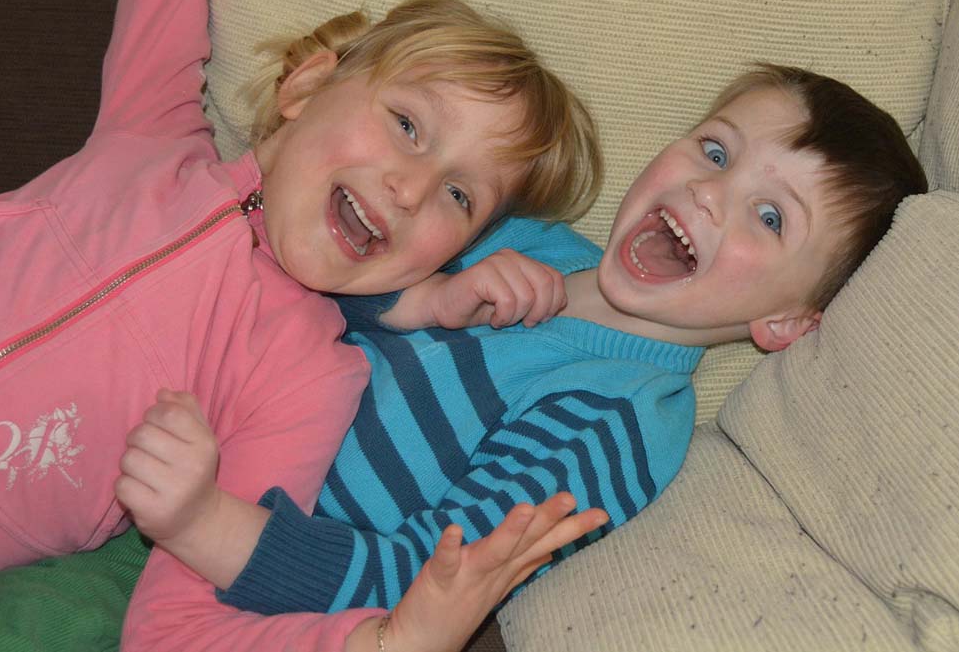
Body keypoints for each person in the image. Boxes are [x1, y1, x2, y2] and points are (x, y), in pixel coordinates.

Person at [99, 60, 927, 644]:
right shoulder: (525, 237)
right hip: (175, 429)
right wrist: (419, 298)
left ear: (785, 322)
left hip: (244, 589)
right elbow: (319, 284)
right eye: (715, 150)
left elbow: (429, 581)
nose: (710, 193)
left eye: (770, 217)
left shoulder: (621, 419)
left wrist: (205, 523)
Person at [0, 0, 609, 650]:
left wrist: (380, 641)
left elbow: (174, 629)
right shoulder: (151, 130)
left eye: (458, 195)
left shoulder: (307, 378)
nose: (411, 189)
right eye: (407, 125)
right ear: (308, 86)